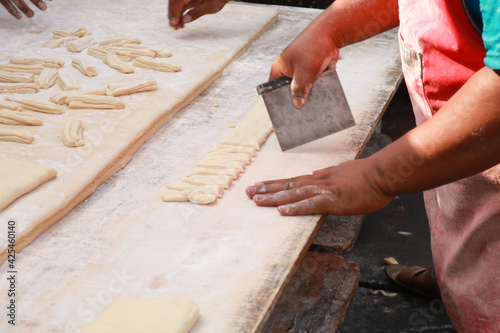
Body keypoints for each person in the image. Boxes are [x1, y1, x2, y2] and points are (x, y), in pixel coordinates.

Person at [169, 1, 500, 331]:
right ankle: (453, 277)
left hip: (485, 141)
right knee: (465, 248)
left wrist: (378, 177)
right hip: (452, 142)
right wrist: (332, 26)